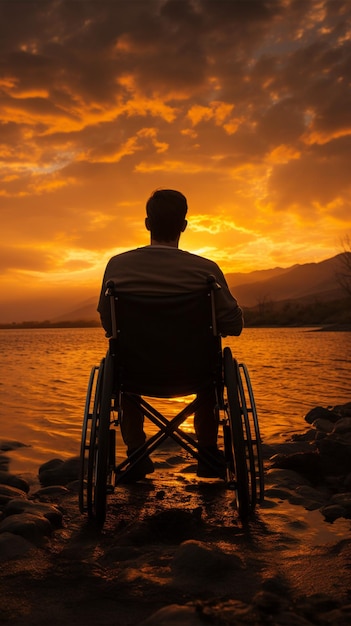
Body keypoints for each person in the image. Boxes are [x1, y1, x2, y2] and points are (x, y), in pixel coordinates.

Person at [97, 189, 243, 481]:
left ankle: (137, 453)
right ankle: (208, 454)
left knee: (121, 365)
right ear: (184, 225)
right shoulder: (207, 272)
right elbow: (233, 324)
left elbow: (109, 325)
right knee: (211, 371)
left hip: (136, 372)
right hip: (196, 371)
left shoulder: (118, 266)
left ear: (148, 223)